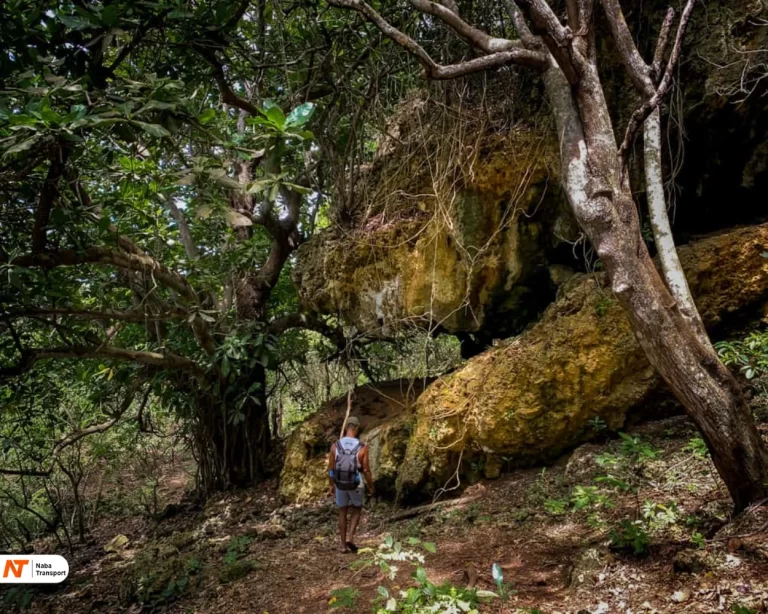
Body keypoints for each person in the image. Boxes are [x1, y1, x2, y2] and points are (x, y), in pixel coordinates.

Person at [328, 416, 374, 553]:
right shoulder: (362, 447)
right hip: (356, 483)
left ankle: (342, 545)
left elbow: (331, 469)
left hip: (340, 483)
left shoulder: (335, 446)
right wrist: (371, 486)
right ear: (356, 428)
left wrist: (331, 485)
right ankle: (351, 538)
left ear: (347, 427)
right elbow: (365, 470)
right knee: (357, 509)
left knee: (342, 511)